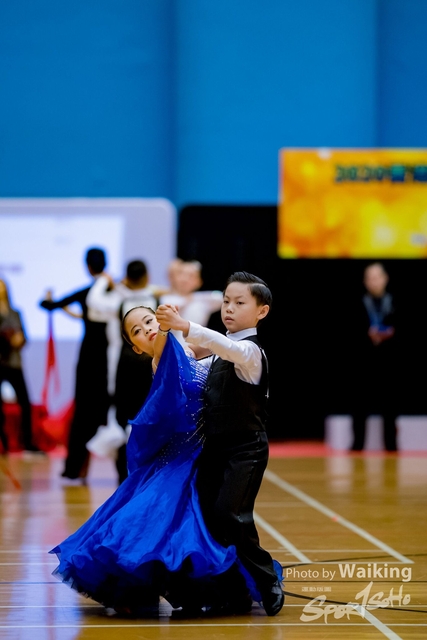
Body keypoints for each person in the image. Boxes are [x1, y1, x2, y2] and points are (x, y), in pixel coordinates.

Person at [49, 304, 282, 617]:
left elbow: (220, 350)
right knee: (162, 523)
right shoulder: (162, 357)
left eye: (149, 321)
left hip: (207, 453)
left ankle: (221, 592)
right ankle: (169, 591)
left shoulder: (190, 351)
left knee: (199, 526)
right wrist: (169, 325)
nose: (146, 329)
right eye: (137, 331)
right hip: (180, 457)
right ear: (136, 347)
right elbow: (166, 344)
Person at [156, 271, 285, 616]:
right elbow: (187, 364)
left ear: (262, 311)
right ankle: (231, 592)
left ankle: (267, 578)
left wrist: (185, 325)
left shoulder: (250, 352)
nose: (229, 308)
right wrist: (163, 336)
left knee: (230, 514)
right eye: (226, 301)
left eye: (240, 302)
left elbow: (226, 346)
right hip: (213, 449)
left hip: (246, 450)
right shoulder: (214, 357)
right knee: (209, 521)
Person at [86, 259, 162, 484]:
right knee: (151, 416)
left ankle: (123, 476)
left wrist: (104, 280)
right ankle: (148, 473)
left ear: (127, 278)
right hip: (151, 365)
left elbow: (93, 301)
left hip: (125, 366)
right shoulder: (159, 300)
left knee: (123, 419)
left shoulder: (117, 301)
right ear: (147, 277)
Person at [39, 247, 110, 481]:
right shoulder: (114, 291)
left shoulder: (86, 293)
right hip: (110, 358)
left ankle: (74, 468)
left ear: (88, 266)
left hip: (89, 358)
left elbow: (48, 305)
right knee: (110, 412)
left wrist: (48, 299)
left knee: (82, 413)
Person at [349, 262, 399, 452]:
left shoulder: (394, 302)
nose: (374, 282)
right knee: (359, 404)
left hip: (389, 362)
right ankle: (357, 445)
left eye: (377, 277)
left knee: (391, 404)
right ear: (365, 281)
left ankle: (392, 445)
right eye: (370, 278)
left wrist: (389, 334)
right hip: (364, 362)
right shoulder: (358, 302)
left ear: (385, 279)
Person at [0, 278, 44, 455]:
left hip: (14, 362)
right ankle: (3, 442)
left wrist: (19, 339)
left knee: (25, 402)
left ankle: (28, 442)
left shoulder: (15, 313)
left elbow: (24, 336)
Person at [159, 260, 223, 348]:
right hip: (172, 350)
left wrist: (191, 298)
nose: (185, 279)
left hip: (196, 351)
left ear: (199, 281)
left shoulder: (202, 301)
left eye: (191, 276)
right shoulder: (165, 299)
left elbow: (220, 297)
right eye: (181, 274)